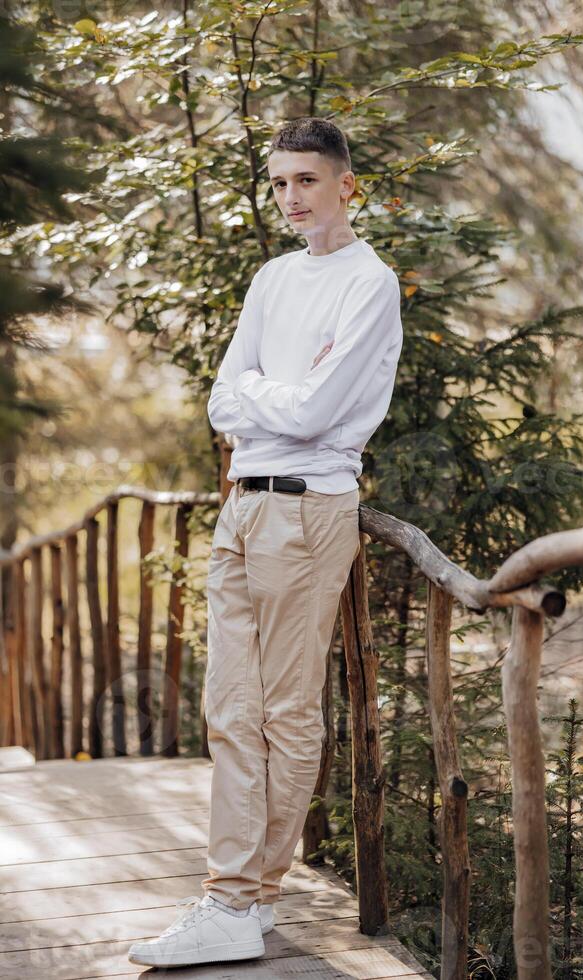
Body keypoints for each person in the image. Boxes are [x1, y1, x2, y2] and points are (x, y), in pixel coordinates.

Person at [127, 116, 403, 968]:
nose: (290, 197)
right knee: (229, 710)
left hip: (307, 513)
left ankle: (244, 901)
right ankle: (232, 894)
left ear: (345, 184)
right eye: (279, 182)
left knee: (284, 714)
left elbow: (319, 415)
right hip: (243, 506)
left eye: (306, 181)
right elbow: (223, 400)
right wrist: (265, 393)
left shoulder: (369, 282)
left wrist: (264, 396)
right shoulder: (272, 278)